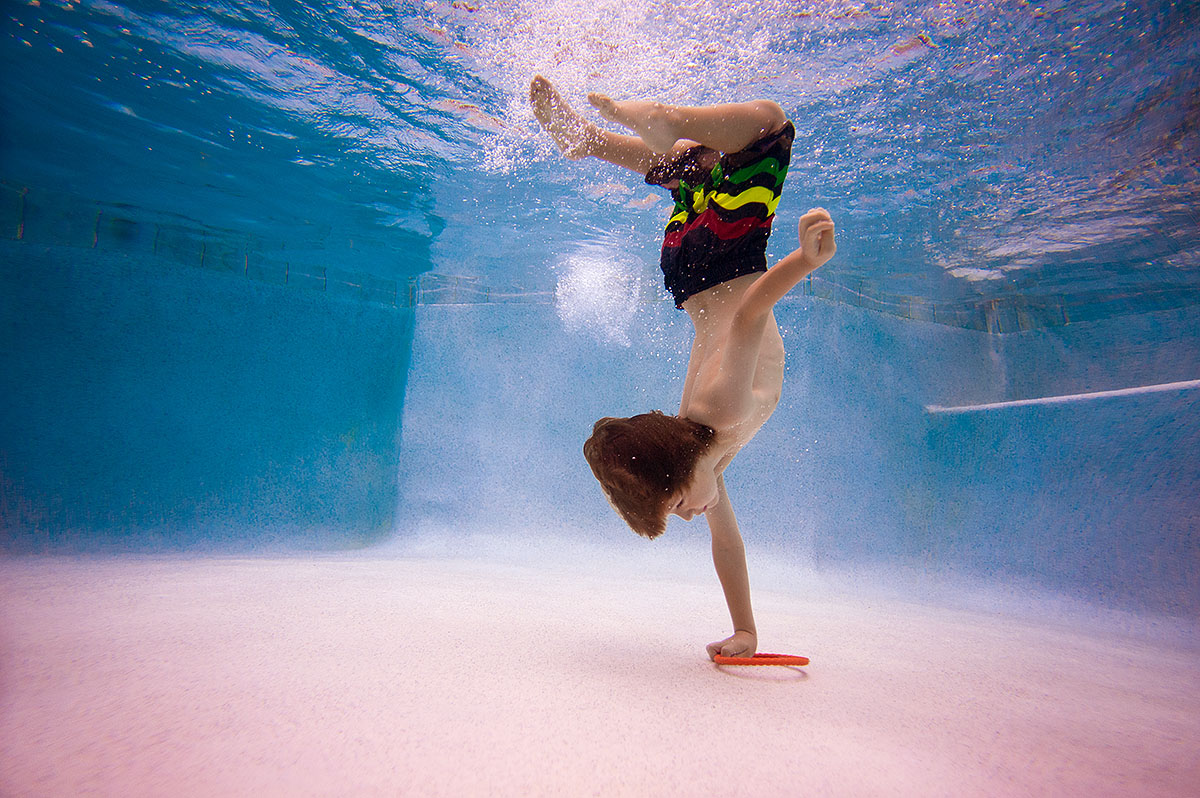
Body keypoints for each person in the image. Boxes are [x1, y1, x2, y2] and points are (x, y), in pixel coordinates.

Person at [530, 75, 837, 661]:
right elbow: (728, 543)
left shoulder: (715, 416)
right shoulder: (705, 455)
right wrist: (745, 631)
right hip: (689, 272)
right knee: (695, 174)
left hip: (726, 263)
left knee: (770, 126)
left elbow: (748, 319)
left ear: (677, 468)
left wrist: (804, 261)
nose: (691, 516)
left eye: (674, 508)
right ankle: (588, 139)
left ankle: (669, 120)